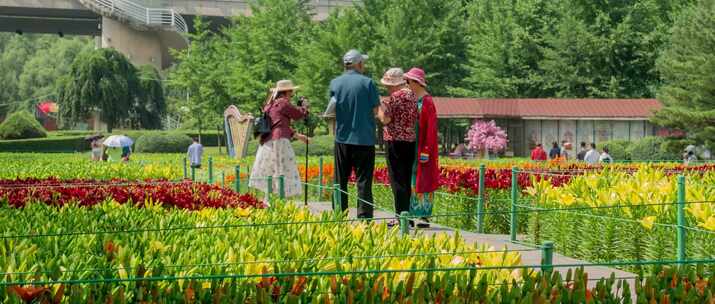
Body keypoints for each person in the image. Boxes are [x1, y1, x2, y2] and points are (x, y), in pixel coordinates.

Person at [330, 49, 380, 219]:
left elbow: (332, 110)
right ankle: (365, 217)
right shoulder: (368, 83)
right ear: (358, 64)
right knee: (364, 182)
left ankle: (339, 214)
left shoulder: (335, 83)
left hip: (342, 138)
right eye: (363, 63)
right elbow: (375, 109)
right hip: (364, 138)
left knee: (340, 180)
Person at [249, 80, 309, 205]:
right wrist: (305, 106)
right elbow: (299, 115)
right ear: (286, 91)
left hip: (268, 142)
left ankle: (269, 200)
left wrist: (298, 136)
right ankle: (281, 200)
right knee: (283, 170)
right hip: (279, 142)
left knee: (271, 170)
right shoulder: (283, 103)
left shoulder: (271, 104)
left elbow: (279, 125)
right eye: (291, 91)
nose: (292, 93)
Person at [378, 68, 418, 227]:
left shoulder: (394, 97)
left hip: (394, 140)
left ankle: (400, 217)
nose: (387, 88)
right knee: (406, 179)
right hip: (410, 141)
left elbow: (386, 119)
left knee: (397, 180)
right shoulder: (413, 96)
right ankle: (407, 216)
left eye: (388, 85)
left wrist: (380, 105)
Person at [405, 67, 439, 228]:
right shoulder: (413, 100)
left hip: (423, 149)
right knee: (412, 180)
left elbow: (431, 129)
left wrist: (426, 149)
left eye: (409, 81)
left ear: (417, 83)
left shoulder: (427, 102)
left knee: (424, 180)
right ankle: (410, 214)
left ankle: (424, 216)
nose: (407, 84)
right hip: (411, 147)